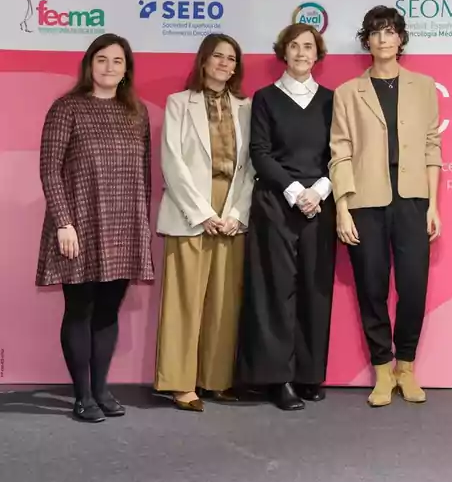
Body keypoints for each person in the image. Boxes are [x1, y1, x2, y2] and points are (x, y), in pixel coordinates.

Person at [36, 33, 155, 423]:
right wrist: (63, 223)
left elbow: (143, 175)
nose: (108, 67)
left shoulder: (135, 113)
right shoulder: (67, 107)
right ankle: (82, 395)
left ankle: (102, 389)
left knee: (108, 311)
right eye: (101, 59)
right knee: (80, 309)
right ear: (90, 65)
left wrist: (141, 225)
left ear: (126, 70)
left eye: (117, 61)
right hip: (79, 225)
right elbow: (50, 169)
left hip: (123, 226)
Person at [331, 6, 443, 408]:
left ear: (400, 39)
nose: (383, 39)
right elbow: (340, 151)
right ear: (367, 41)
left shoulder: (423, 87)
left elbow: (433, 145)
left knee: (413, 287)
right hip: (366, 201)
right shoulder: (347, 93)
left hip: (412, 198)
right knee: (371, 287)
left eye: (390, 31)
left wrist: (433, 204)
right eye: (376, 32)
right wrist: (342, 207)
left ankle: (406, 367)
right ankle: (382, 370)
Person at [236, 23, 337, 411]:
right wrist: (295, 192)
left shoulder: (332, 100)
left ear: (317, 54)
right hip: (276, 204)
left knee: (315, 288)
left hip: (320, 203)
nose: (300, 53)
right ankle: (278, 379)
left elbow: (340, 152)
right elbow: (260, 153)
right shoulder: (265, 99)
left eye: (308, 47)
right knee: (276, 291)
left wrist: (320, 191)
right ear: (284, 52)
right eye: (293, 46)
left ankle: (308, 375)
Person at [155, 34, 254, 412]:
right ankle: (180, 383)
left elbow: (251, 169)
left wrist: (235, 214)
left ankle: (216, 380)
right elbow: (172, 162)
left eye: (231, 59)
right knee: (185, 299)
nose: (225, 64)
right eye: (218, 57)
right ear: (203, 61)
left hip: (231, 210)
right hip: (190, 211)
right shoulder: (180, 103)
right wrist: (203, 214)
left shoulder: (245, 107)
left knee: (224, 301)